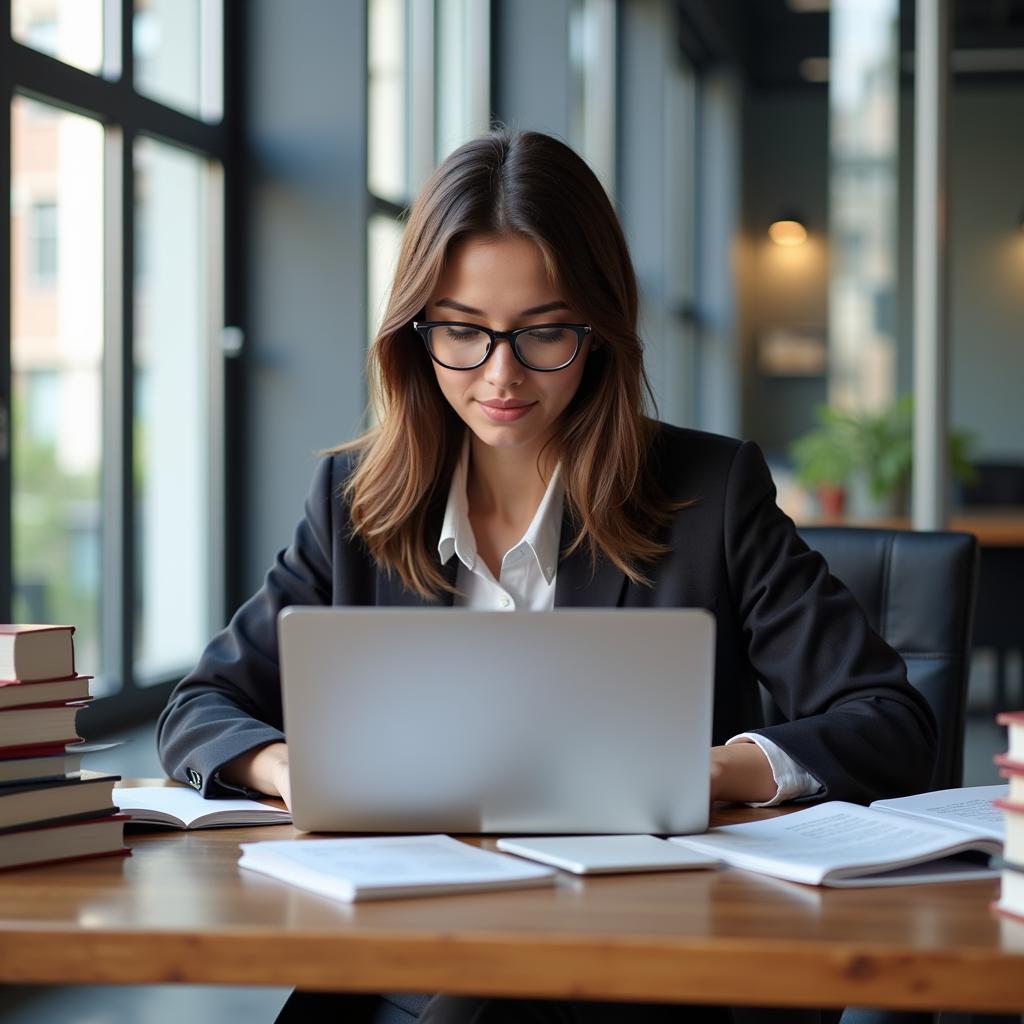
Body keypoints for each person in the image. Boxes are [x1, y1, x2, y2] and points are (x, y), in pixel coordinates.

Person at [157, 128, 937, 1024]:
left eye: (543, 334)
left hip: (644, 963)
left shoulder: (709, 494)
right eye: (462, 332)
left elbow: (892, 723)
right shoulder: (354, 502)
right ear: (416, 332)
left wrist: (706, 771)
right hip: (405, 944)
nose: (501, 375)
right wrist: (295, 769)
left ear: (600, 331)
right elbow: (201, 710)